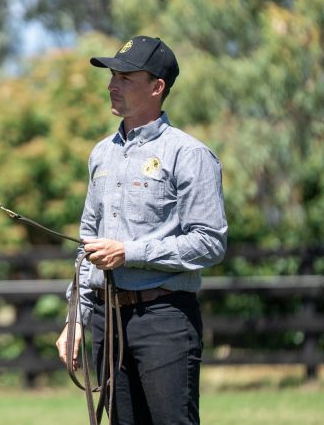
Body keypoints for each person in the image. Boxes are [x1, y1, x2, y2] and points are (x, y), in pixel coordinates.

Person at [56, 36, 227, 424]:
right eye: (113, 75)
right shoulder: (101, 153)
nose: (112, 85)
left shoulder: (190, 155)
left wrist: (130, 253)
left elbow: (210, 243)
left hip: (165, 319)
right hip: (107, 319)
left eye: (126, 77)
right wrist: (76, 319)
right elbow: (87, 243)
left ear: (156, 87)